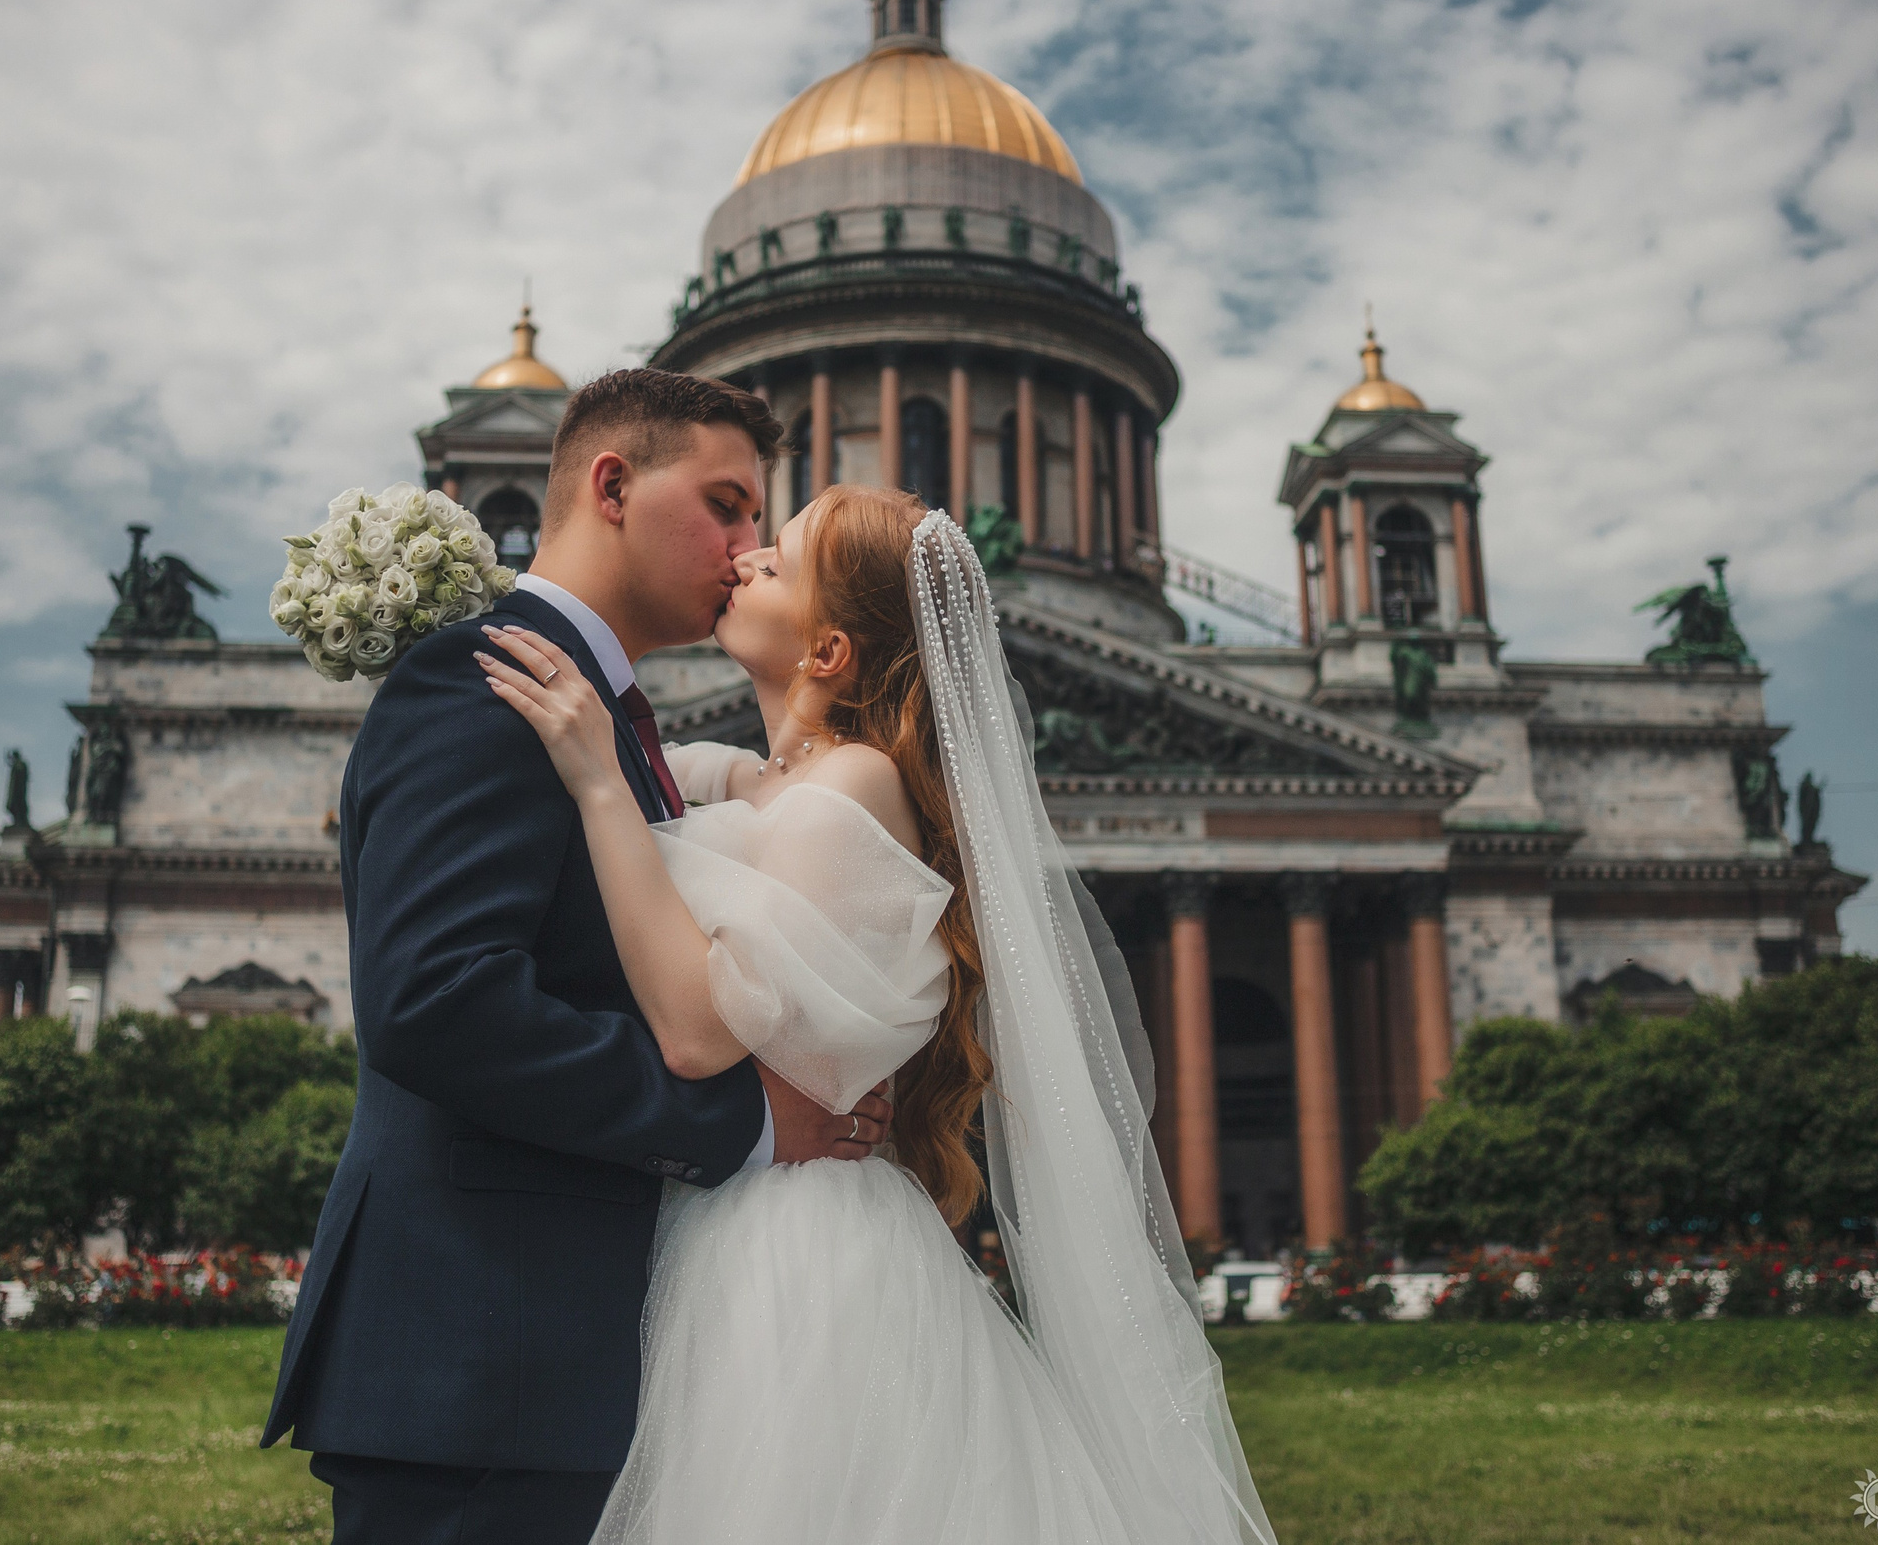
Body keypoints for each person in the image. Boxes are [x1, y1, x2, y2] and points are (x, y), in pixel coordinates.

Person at [477, 484, 1277, 1545]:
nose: (745, 557)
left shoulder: (852, 784)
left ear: (828, 651)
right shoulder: (763, 780)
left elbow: (701, 1035)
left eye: (779, 558)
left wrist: (597, 788)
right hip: (743, 1213)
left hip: (793, 1253)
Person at [261, 371, 895, 1545]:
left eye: (760, 520)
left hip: (546, 1364)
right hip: (478, 1364)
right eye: (725, 504)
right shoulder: (488, 680)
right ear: (612, 485)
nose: (747, 550)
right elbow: (438, 1001)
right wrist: (746, 1123)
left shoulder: (599, 714)